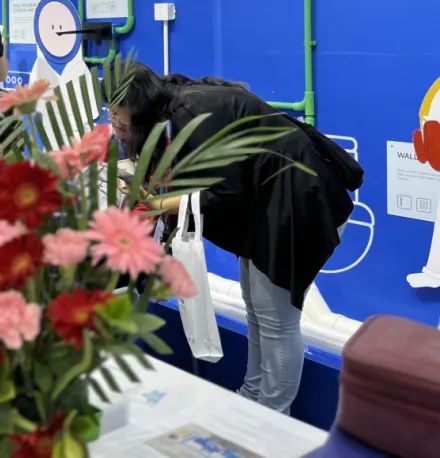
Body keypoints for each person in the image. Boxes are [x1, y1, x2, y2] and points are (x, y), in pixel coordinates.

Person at [110, 63, 357, 414]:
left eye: (116, 108)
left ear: (137, 102)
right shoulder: (172, 109)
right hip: (269, 202)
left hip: (299, 202)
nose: (113, 118)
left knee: (275, 319)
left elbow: (224, 193)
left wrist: (158, 203)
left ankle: (273, 417)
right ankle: (252, 399)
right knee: (256, 307)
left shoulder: (189, 113)